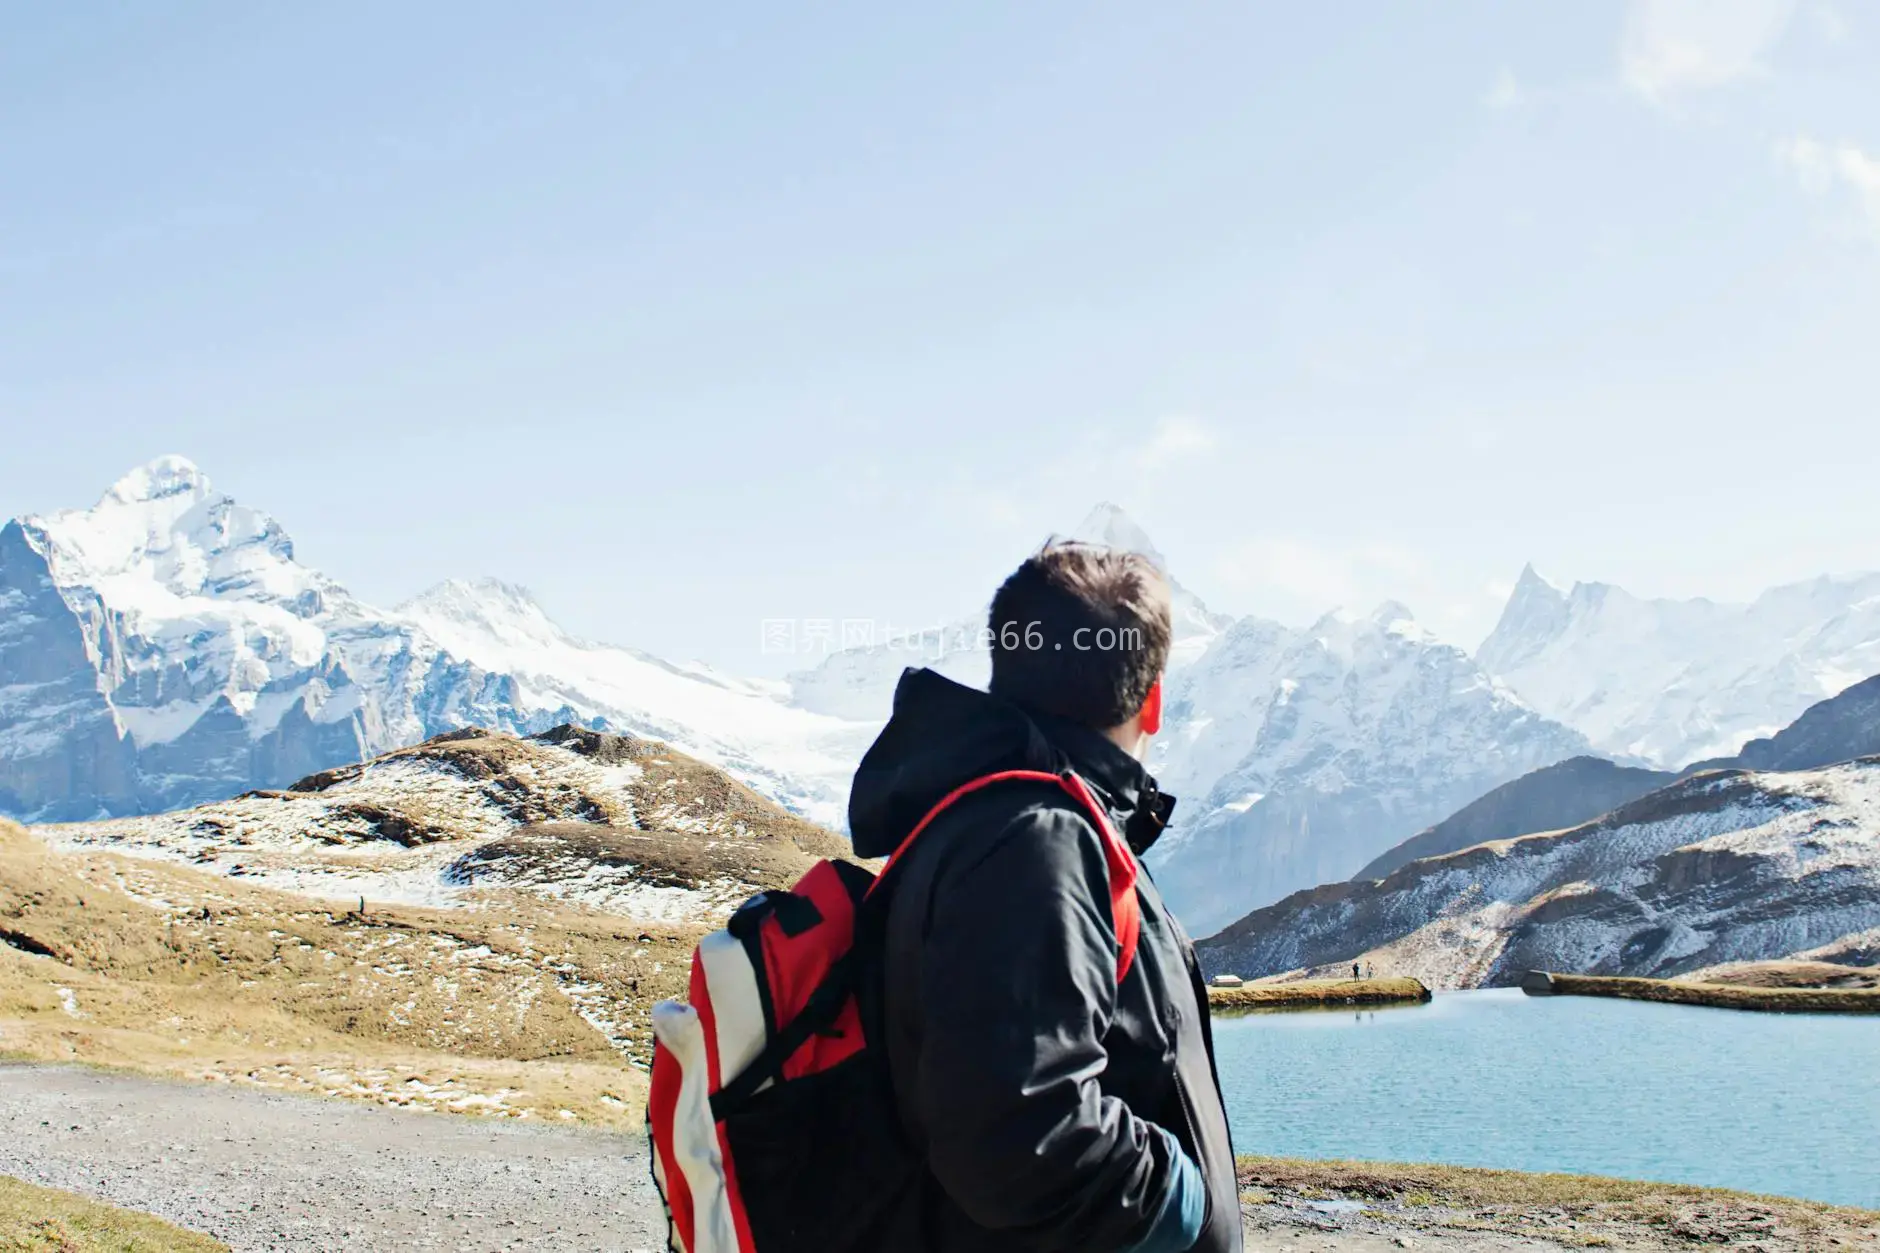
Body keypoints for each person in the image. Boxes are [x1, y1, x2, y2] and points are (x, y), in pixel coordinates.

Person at [848, 541, 1242, 1253]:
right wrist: (1186, 1203)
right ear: (1152, 701)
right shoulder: (1038, 842)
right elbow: (1018, 1135)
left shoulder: (1003, 822)